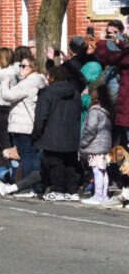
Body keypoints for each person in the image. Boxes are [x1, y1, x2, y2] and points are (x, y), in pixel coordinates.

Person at [33, 64, 84, 201]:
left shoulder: (47, 93)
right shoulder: (75, 92)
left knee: (54, 163)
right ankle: (72, 190)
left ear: (53, 78)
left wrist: (37, 133)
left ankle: (58, 189)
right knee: (70, 163)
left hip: (51, 135)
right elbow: (78, 112)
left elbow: (41, 116)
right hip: (71, 134)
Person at [0, 55, 47, 191]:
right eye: (20, 65)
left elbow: (8, 95)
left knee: (26, 157)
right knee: (31, 156)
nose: (21, 68)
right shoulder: (38, 80)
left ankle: (27, 188)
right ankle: (35, 186)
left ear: (32, 67)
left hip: (23, 125)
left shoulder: (29, 82)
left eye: (24, 66)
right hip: (28, 124)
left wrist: (4, 84)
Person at [80, 85, 114, 205]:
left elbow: (90, 129)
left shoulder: (94, 111)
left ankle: (98, 195)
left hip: (96, 145)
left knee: (97, 170)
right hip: (105, 145)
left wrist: (82, 143)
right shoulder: (107, 110)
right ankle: (104, 195)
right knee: (103, 170)